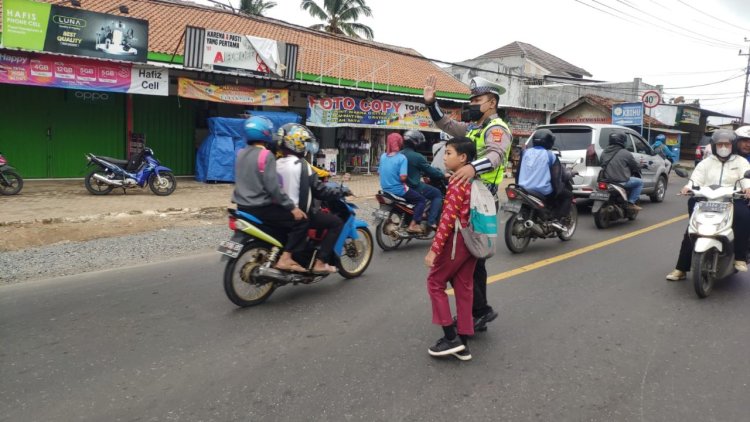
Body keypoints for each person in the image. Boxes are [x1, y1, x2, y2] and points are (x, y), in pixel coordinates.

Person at [424, 75, 512, 332]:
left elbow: (495, 155)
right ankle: (477, 311)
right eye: (471, 99)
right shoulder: (475, 128)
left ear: (492, 103)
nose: (472, 103)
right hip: (469, 198)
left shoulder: (496, 128)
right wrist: (432, 104)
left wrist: (472, 167)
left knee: (473, 256)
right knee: (469, 258)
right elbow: (449, 125)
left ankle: (480, 311)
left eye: (477, 99)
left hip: (483, 200)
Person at [665, 129, 750, 280]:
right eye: (720, 144)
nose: (724, 147)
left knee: (744, 216)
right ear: (714, 146)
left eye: (727, 144)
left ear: (733, 145)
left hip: (731, 199)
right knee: (692, 230)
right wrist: (688, 187)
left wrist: (747, 188)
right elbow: (695, 179)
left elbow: (746, 179)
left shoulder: (741, 162)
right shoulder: (706, 162)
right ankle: (681, 269)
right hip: (706, 200)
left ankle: (740, 257)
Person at [424, 137, 478, 361]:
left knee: (435, 283)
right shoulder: (473, 178)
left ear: (463, 158)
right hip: (471, 241)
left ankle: (450, 336)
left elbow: (447, 219)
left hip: (455, 241)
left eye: (448, 153)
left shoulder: (458, 182)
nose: (444, 157)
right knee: (464, 288)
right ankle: (463, 343)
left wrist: (434, 250)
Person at [231, 116, 308, 273]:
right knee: (302, 221)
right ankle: (286, 258)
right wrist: (292, 208)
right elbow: (274, 188)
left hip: (241, 207)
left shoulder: (240, 153)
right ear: (265, 133)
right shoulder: (266, 155)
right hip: (261, 208)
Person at [275, 123, 345, 274]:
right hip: (298, 214)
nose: (306, 147)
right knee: (336, 223)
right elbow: (319, 191)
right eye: (304, 143)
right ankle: (320, 262)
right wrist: (340, 192)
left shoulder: (277, 163)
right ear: (296, 142)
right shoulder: (302, 165)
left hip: (279, 213)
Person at [516, 129, 572, 219]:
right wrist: (558, 191)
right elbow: (555, 179)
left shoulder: (525, 152)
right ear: (550, 142)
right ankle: (556, 219)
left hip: (523, 189)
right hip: (542, 191)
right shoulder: (550, 155)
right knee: (568, 195)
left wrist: (517, 187)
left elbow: (518, 173)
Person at [378, 132, 427, 234]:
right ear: (400, 143)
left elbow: (379, 172)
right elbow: (403, 177)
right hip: (398, 190)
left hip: (385, 189)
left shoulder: (383, 156)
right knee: (421, 200)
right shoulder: (401, 158)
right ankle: (413, 225)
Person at [401, 130, 445, 232]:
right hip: (413, 187)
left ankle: (421, 214)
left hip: (401, 186)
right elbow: (430, 171)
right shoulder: (417, 157)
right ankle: (431, 221)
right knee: (437, 194)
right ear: (416, 142)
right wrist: (443, 175)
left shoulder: (399, 154)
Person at [600, 133, 644, 211]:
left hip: (606, 180)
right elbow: (634, 166)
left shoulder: (604, 152)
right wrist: (640, 166)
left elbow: (601, 163)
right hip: (621, 181)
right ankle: (631, 203)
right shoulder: (626, 153)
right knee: (639, 182)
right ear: (622, 141)